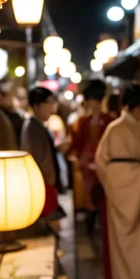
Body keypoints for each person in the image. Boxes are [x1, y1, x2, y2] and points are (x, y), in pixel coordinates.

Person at [94, 84, 140, 279]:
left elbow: (100, 161)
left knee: (122, 242)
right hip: (138, 182)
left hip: (117, 185)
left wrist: (111, 183)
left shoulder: (113, 128)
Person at [69, 80, 114, 232]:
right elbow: (77, 142)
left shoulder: (108, 121)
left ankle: (96, 213)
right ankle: (91, 212)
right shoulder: (83, 122)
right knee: (89, 188)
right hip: (87, 161)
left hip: (101, 160)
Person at [21, 87, 62, 230]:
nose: (52, 107)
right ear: (37, 106)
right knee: (50, 227)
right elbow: (38, 160)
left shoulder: (36, 125)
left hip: (44, 185)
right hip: (42, 186)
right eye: (49, 103)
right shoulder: (33, 127)